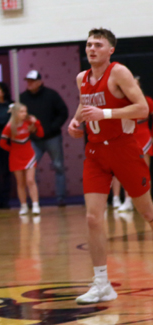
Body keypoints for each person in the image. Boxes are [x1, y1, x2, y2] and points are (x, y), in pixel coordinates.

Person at [67, 28, 153, 304]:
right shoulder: (81, 78)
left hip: (123, 149)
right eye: (89, 44)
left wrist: (104, 113)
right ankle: (102, 284)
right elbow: (85, 105)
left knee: (148, 213)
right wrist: (76, 121)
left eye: (98, 44)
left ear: (110, 50)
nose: (92, 49)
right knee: (93, 218)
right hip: (95, 153)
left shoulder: (119, 73)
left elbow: (142, 109)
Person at [20, 70, 70, 207]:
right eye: (28, 81)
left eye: (32, 81)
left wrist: (52, 127)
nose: (29, 83)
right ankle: (34, 200)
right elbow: (18, 117)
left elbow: (63, 112)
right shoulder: (22, 98)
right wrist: (27, 128)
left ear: (40, 82)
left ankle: (60, 198)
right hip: (33, 139)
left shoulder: (51, 95)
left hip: (52, 137)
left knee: (58, 166)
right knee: (30, 169)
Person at [112, 75, 153, 212]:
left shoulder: (147, 101)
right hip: (128, 138)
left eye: (136, 84)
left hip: (144, 137)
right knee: (128, 172)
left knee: (144, 171)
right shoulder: (122, 103)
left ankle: (147, 203)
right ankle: (128, 200)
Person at [0, 103, 44, 216]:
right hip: (16, 157)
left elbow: (41, 134)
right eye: (22, 111)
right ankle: (23, 206)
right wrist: (12, 150)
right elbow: (2, 143)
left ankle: (35, 205)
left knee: (30, 180)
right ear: (15, 113)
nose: (25, 113)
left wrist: (36, 122)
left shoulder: (28, 123)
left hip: (29, 155)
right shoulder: (9, 126)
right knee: (20, 183)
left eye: (25, 111)